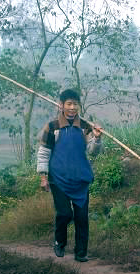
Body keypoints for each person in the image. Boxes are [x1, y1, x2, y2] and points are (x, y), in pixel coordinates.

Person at [36, 89, 103, 262]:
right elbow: (43, 153)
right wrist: (43, 177)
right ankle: (59, 242)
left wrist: (96, 139)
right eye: (69, 104)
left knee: (82, 217)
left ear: (79, 106)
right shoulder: (52, 127)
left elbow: (93, 152)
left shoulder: (85, 127)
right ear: (61, 105)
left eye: (75, 104)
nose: (72, 108)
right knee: (65, 214)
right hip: (58, 179)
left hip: (80, 179)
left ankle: (81, 253)